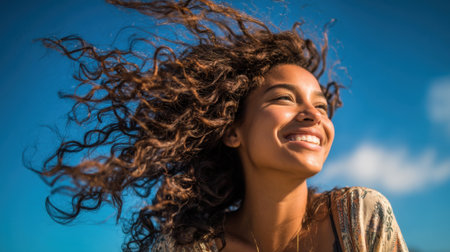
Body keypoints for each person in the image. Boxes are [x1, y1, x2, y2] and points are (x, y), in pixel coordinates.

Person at [37, 0, 408, 251]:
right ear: (232, 130)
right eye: (284, 98)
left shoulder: (359, 218)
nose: (313, 115)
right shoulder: (184, 246)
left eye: (321, 106)